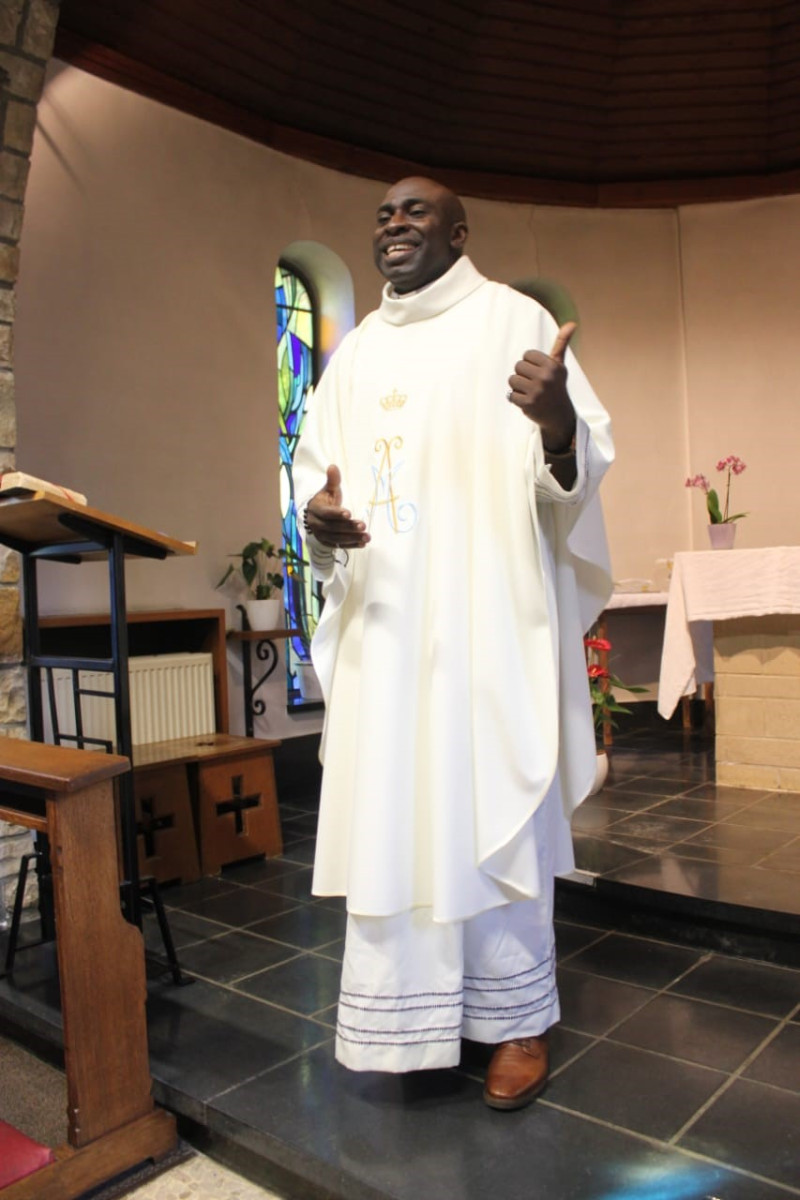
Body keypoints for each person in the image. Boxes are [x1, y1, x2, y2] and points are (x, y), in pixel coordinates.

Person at [293, 177, 613, 1110]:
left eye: (415, 212)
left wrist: (557, 422)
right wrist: (320, 521)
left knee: (490, 802)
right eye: (383, 214)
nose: (393, 224)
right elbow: (317, 476)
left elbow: (574, 473)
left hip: (485, 620)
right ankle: (407, 1019)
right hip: (387, 627)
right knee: (397, 808)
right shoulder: (356, 353)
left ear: (460, 232)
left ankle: (515, 1020)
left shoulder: (513, 319)